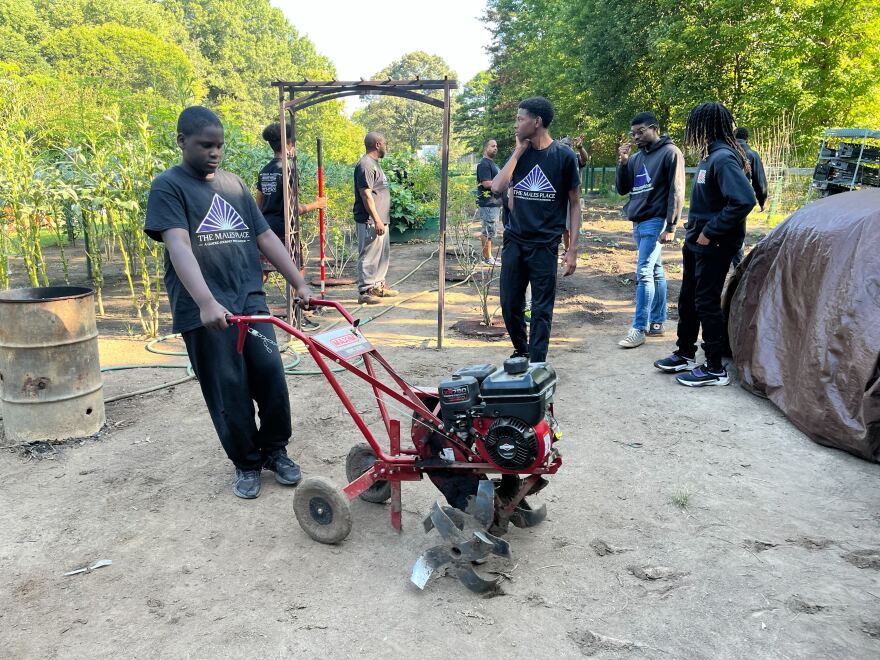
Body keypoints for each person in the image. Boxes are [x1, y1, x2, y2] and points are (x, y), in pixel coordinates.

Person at [145, 106, 313, 499]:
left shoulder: (234, 185)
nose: (214, 152)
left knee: (270, 372)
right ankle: (247, 462)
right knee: (228, 386)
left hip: (249, 299)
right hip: (204, 310)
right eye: (206, 145)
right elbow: (178, 245)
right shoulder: (169, 187)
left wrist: (299, 284)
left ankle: (275, 450)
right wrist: (205, 301)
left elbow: (266, 238)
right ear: (182, 141)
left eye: (219, 145)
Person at [653, 102, 756, 387]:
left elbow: (744, 200)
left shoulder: (723, 158)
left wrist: (710, 231)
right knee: (688, 299)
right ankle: (685, 353)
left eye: (695, 125)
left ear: (707, 126)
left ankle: (714, 368)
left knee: (706, 302)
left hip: (715, 244)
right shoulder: (709, 156)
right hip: (696, 241)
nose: (692, 131)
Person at [491, 96, 581, 363]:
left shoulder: (563, 156)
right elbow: (496, 187)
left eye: (520, 119)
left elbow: (575, 205)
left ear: (537, 122)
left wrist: (572, 249)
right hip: (515, 241)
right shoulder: (521, 153)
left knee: (542, 309)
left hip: (544, 245)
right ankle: (522, 349)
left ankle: (537, 363)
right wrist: (518, 152)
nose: (516, 125)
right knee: (509, 304)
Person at [615, 111, 685, 348]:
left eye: (640, 132)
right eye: (633, 133)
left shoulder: (670, 153)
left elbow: (676, 191)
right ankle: (657, 321)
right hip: (638, 220)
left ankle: (639, 328)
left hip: (656, 221)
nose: (636, 137)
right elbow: (623, 189)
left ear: (654, 128)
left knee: (643, 271)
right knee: (656, 271)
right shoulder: (636, 158)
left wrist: (672, 225)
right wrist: (623, 163)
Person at [255, 123, 325, 329]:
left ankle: (247, 308)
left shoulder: (266, 170)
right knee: (297, 271)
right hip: (286, 229)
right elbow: (291, 209)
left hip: (265, 228)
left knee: (262, 272)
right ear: (290, 145)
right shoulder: (288, 169)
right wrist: (316, 204)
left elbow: (258, 204)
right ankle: (297, 317)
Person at [353, 132, 399, 305]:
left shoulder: (374, 164)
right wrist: (377, 219)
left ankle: (378, 286)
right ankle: (365, 290)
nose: (386, 146)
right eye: (385, 143)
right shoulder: (365, 165)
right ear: (378, 144)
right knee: (369, 254)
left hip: (380, 219)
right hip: (370, 220)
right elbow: (366, 195)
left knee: (382, 255)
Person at [732, 127, 768, 267]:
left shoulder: (727, 152)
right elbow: (760, 180)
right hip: (742, 200)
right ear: (747, 138)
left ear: (734, 137)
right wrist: (762, 200)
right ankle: (738, 268)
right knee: (738, 234)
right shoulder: (752, 154)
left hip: (723, 199)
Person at [557, 136, 589, 255]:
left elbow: (585, 159)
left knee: (572, 225)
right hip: (560, 197)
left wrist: (580, 148)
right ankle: (566, 249)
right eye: (563, 145)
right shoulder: (558, 158)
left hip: (573, 197)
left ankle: (572, 249)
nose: (565, 147)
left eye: (567, 145)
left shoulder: (575, 158)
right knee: (564, 227)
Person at [476, 138, 503, 265]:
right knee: (487, 230)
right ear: (486, 148)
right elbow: (486, 183)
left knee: (491, 230)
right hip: (488, 202)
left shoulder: (492, 163)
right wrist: (502, 183)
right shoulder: (484, 164)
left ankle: (489, 256)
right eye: (492, 146)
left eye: (496, 146)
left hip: (494, 202)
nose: (495, 148)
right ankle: (487, 258)